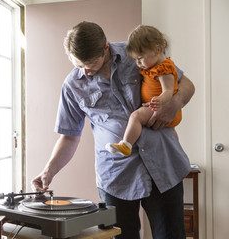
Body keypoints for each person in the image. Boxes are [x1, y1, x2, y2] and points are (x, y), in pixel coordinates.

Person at [31, 21, 195, 239]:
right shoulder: (72, 85)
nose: (85, 71)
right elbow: (69, 137)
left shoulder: (136, 52)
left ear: (105, 47)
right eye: (78, 65)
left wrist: (175, 103)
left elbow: (185, 84)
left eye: (90, 64)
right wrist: (48, 172)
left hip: (164, 165)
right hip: (116, 176)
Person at [106, 25, 181, 157]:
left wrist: (160, 100)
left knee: (136, 116)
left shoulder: (164, 70)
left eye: (140, 58)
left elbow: (168, 91)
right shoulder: (153, 67)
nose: (138, 63)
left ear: (157, 50)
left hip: (159, 106)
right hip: (156, 106)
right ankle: (175, 152)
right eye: (135, 60)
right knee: (171, 132)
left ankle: (126, 145)